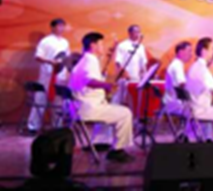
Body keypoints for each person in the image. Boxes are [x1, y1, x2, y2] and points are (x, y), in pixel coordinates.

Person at [69, 32, 134, 163]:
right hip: (88, 108)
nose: (103, 47)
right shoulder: (91, 60)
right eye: (101, 44)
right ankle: (117, 150)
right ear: (93, 45)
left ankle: (99, 142)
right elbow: (89, 81)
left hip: (77, 107)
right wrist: (107, 85)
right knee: (126, 113)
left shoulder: (84, 60)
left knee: (110, 109)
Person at [28, 18, 70, 134]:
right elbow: (38, 56)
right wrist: (50, 61)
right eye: (59, 26)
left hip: (60, 75)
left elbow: (67, 57)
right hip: (47, 75)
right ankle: (33, 126)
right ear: (52, 27)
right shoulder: (45, 41)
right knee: (40, 100)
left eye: (63, 26)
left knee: (58, 101)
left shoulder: (65, 42)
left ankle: (57, 126)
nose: (61, 28)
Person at [113, 25, 147, 105]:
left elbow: (143, 63)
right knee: (122, 100)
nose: (138, 34)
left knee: (133, 101)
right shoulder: (122, 45)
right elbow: (118, 62)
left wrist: (144, 75)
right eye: (136, 32)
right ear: (130, 33)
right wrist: (125, 73)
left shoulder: (141, 47)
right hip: (125, 78)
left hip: (136, 79)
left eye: (139, 32)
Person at [163, 41, 192, 115]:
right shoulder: (177, 65)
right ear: (181, 52)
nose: (191, 54)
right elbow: (182, 83)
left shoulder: (176, 64)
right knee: (200, 111)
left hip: (170, 102)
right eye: (189, 51)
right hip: (175, 104)